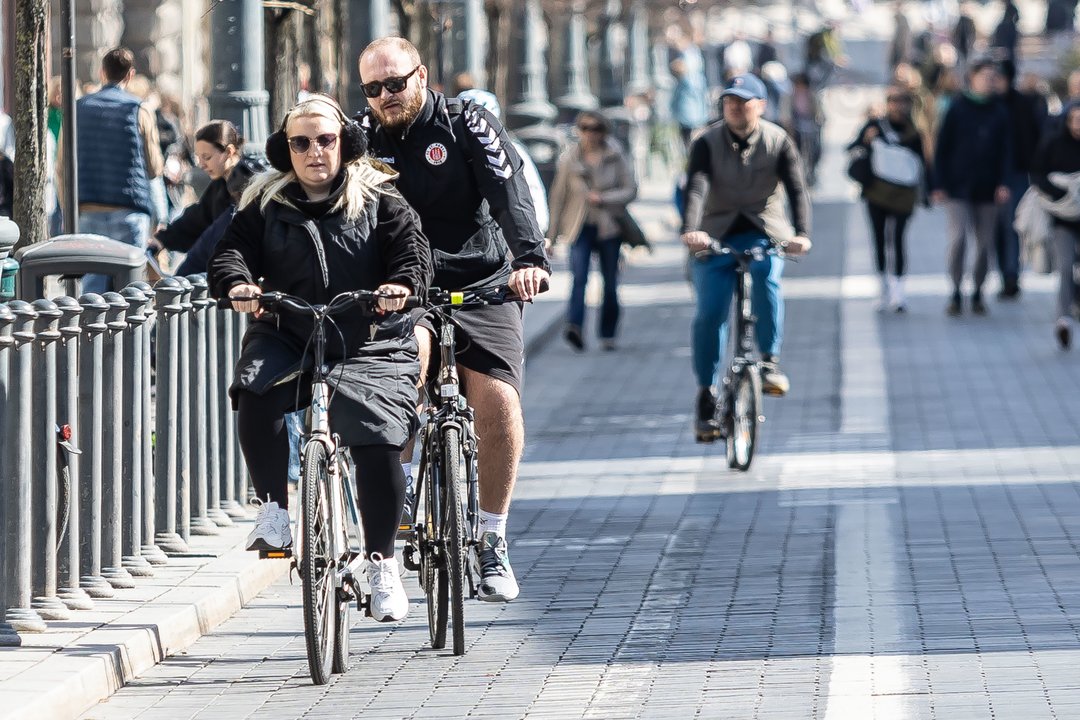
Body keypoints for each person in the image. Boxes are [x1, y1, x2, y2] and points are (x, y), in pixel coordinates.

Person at [208, 94, 432, 623]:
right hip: (289, 329)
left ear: (344, 144)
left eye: (325, 140)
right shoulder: (265, 201)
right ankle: (274, 513)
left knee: (378, 440)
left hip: (368, 335)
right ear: (287, 150)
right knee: (254, 390)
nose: (314, 152)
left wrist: (400, 285)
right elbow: (230, 253)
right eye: (301, 143)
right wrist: (238, 284)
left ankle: (382, 564)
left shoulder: (380, 196)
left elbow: (412, 252)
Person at [356, 37, 550, 603]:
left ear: (422, 75)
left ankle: (492, 537)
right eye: (373, 89)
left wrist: (529, 259)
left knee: (498, 402)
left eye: (396, 83)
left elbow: (509, 188)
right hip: (404, 285)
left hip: (482, 280)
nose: (386, 96)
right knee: (406, 371)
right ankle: (405, 495)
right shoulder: (360, 141)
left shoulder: (468, 122)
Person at [680, 74, 812, 441]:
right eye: (729, 102)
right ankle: (706, 393)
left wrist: (802, 234)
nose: (735, 108)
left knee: (768, 275)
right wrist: (692, 230)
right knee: (709, 314)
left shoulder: (778, 140)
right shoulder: (706, 141)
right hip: (716, 233)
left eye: (743, 101)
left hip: (763, 230)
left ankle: (769, 362)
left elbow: (797, 188)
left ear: (761, 105)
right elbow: (696, 185)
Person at [59, 47, 163, 291]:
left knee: (93, 284)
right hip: (129, 208)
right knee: (132, 285)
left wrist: (69, 207)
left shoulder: (77, 108)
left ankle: (91, 328)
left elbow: (61, 166)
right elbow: (154, 167)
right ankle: (134, 331)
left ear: (101, 72)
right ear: (130, 75)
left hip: (87, 207)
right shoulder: (139, 109)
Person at [547, 110, 637, 352]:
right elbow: (558, 198)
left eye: (596, 128)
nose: (590, 133)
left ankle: (607, 333)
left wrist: (604, 197)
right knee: (579, 278)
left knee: (609, 282)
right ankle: (574, 326)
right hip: (579, 227)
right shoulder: (570, 158)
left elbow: (630, 190)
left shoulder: (615, 154)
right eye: (585, 128)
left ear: (604, 130)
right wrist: (551, 237)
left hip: (609, 227)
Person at [931, 58, 1012, 316]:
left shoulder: (999, 111)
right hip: (958, 186)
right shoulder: (957, 108)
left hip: (988, 188)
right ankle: (955, 290)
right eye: (985, 76)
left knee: (985, 243)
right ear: (972, 78)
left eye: (993, 77)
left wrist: (1004, 183)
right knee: (958, 239)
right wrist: (938, 183)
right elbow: (941, 148)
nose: (990, 81)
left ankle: (977, 291)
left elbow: (1007, 151)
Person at [849, 88, 929, 312]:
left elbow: (923, 164)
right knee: (879, 239)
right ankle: (883, 286)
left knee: (898, 239)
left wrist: (928, 193)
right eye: (893, 101)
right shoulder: (874, 126)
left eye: (902, 101)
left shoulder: (914, 132)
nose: (897, 105)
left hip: (904, 195)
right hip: (876, 192)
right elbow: (853, 148)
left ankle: (898, 291)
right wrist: (866, 141)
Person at [150, 120, 262, 274]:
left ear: (229, 152)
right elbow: (198, 217)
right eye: (198, 158)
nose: (201, 165)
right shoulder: (220, 185)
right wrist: (163, 239)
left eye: (207, 157)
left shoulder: (251, 183)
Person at [456, 88, 549, 236]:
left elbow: (531, 190)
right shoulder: (448, 150)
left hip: (501, 235)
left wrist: (537, 231)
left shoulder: (511, 151)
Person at [1029, 100, 1080, 350]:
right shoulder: (1053, 144)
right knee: (1066, 266)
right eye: (1076, 120)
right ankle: (1063, 318)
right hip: (1063, 218)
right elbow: (1037, 175)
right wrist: (1061, 193)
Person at [995, 60, 1047, 299]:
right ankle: (1003, 273)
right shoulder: (989, 104)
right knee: (996, 229)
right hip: (990, 176)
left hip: (1017, 173)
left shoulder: (1023, 104)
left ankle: (1011, 275)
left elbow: (1038, 138)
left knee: (1011, 225)